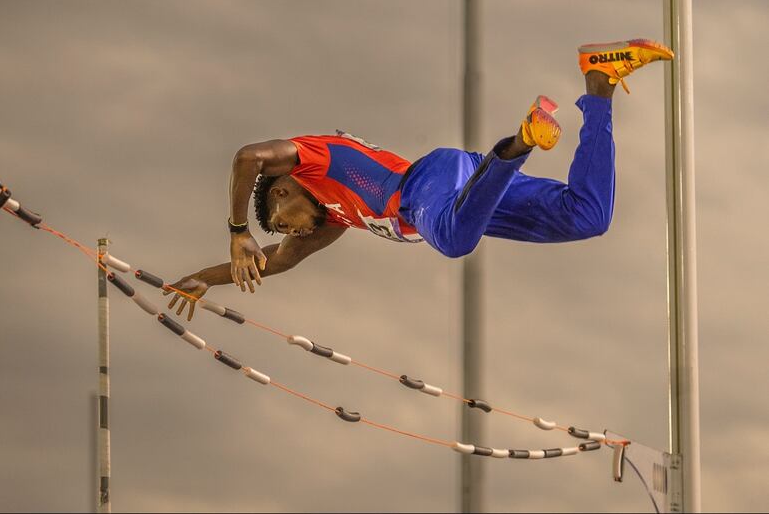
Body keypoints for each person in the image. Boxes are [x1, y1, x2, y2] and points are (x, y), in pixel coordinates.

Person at [165, 39, 672, 321]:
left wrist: (238, 232)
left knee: (451, 240)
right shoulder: (333, 219)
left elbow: (247, 156)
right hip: (468, 194)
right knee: (587, 216)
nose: (290, 232)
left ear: (281, 190)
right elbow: (276, 263)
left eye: (280, 222)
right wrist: (202, 279)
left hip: (431, 183)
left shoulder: (309, 161)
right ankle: (600, 82)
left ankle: (519, 142)